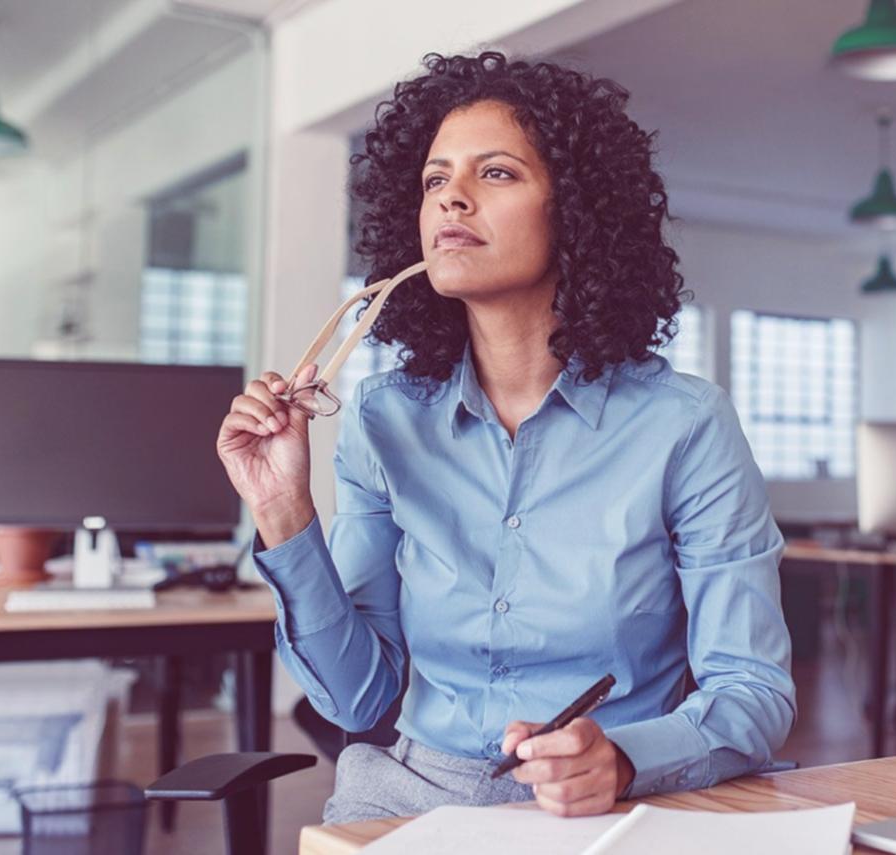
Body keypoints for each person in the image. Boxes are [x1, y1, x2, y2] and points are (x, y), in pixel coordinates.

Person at [215, 51, 795, 823]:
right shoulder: (382, 419)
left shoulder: (684, 425)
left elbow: (753, 690)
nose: (452, 197)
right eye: (433, 180)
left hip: (611, 805)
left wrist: (623, 759)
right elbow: (357, 696)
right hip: (410, 795)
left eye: (496, 174)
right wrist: (284, 510)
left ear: (577, 212)